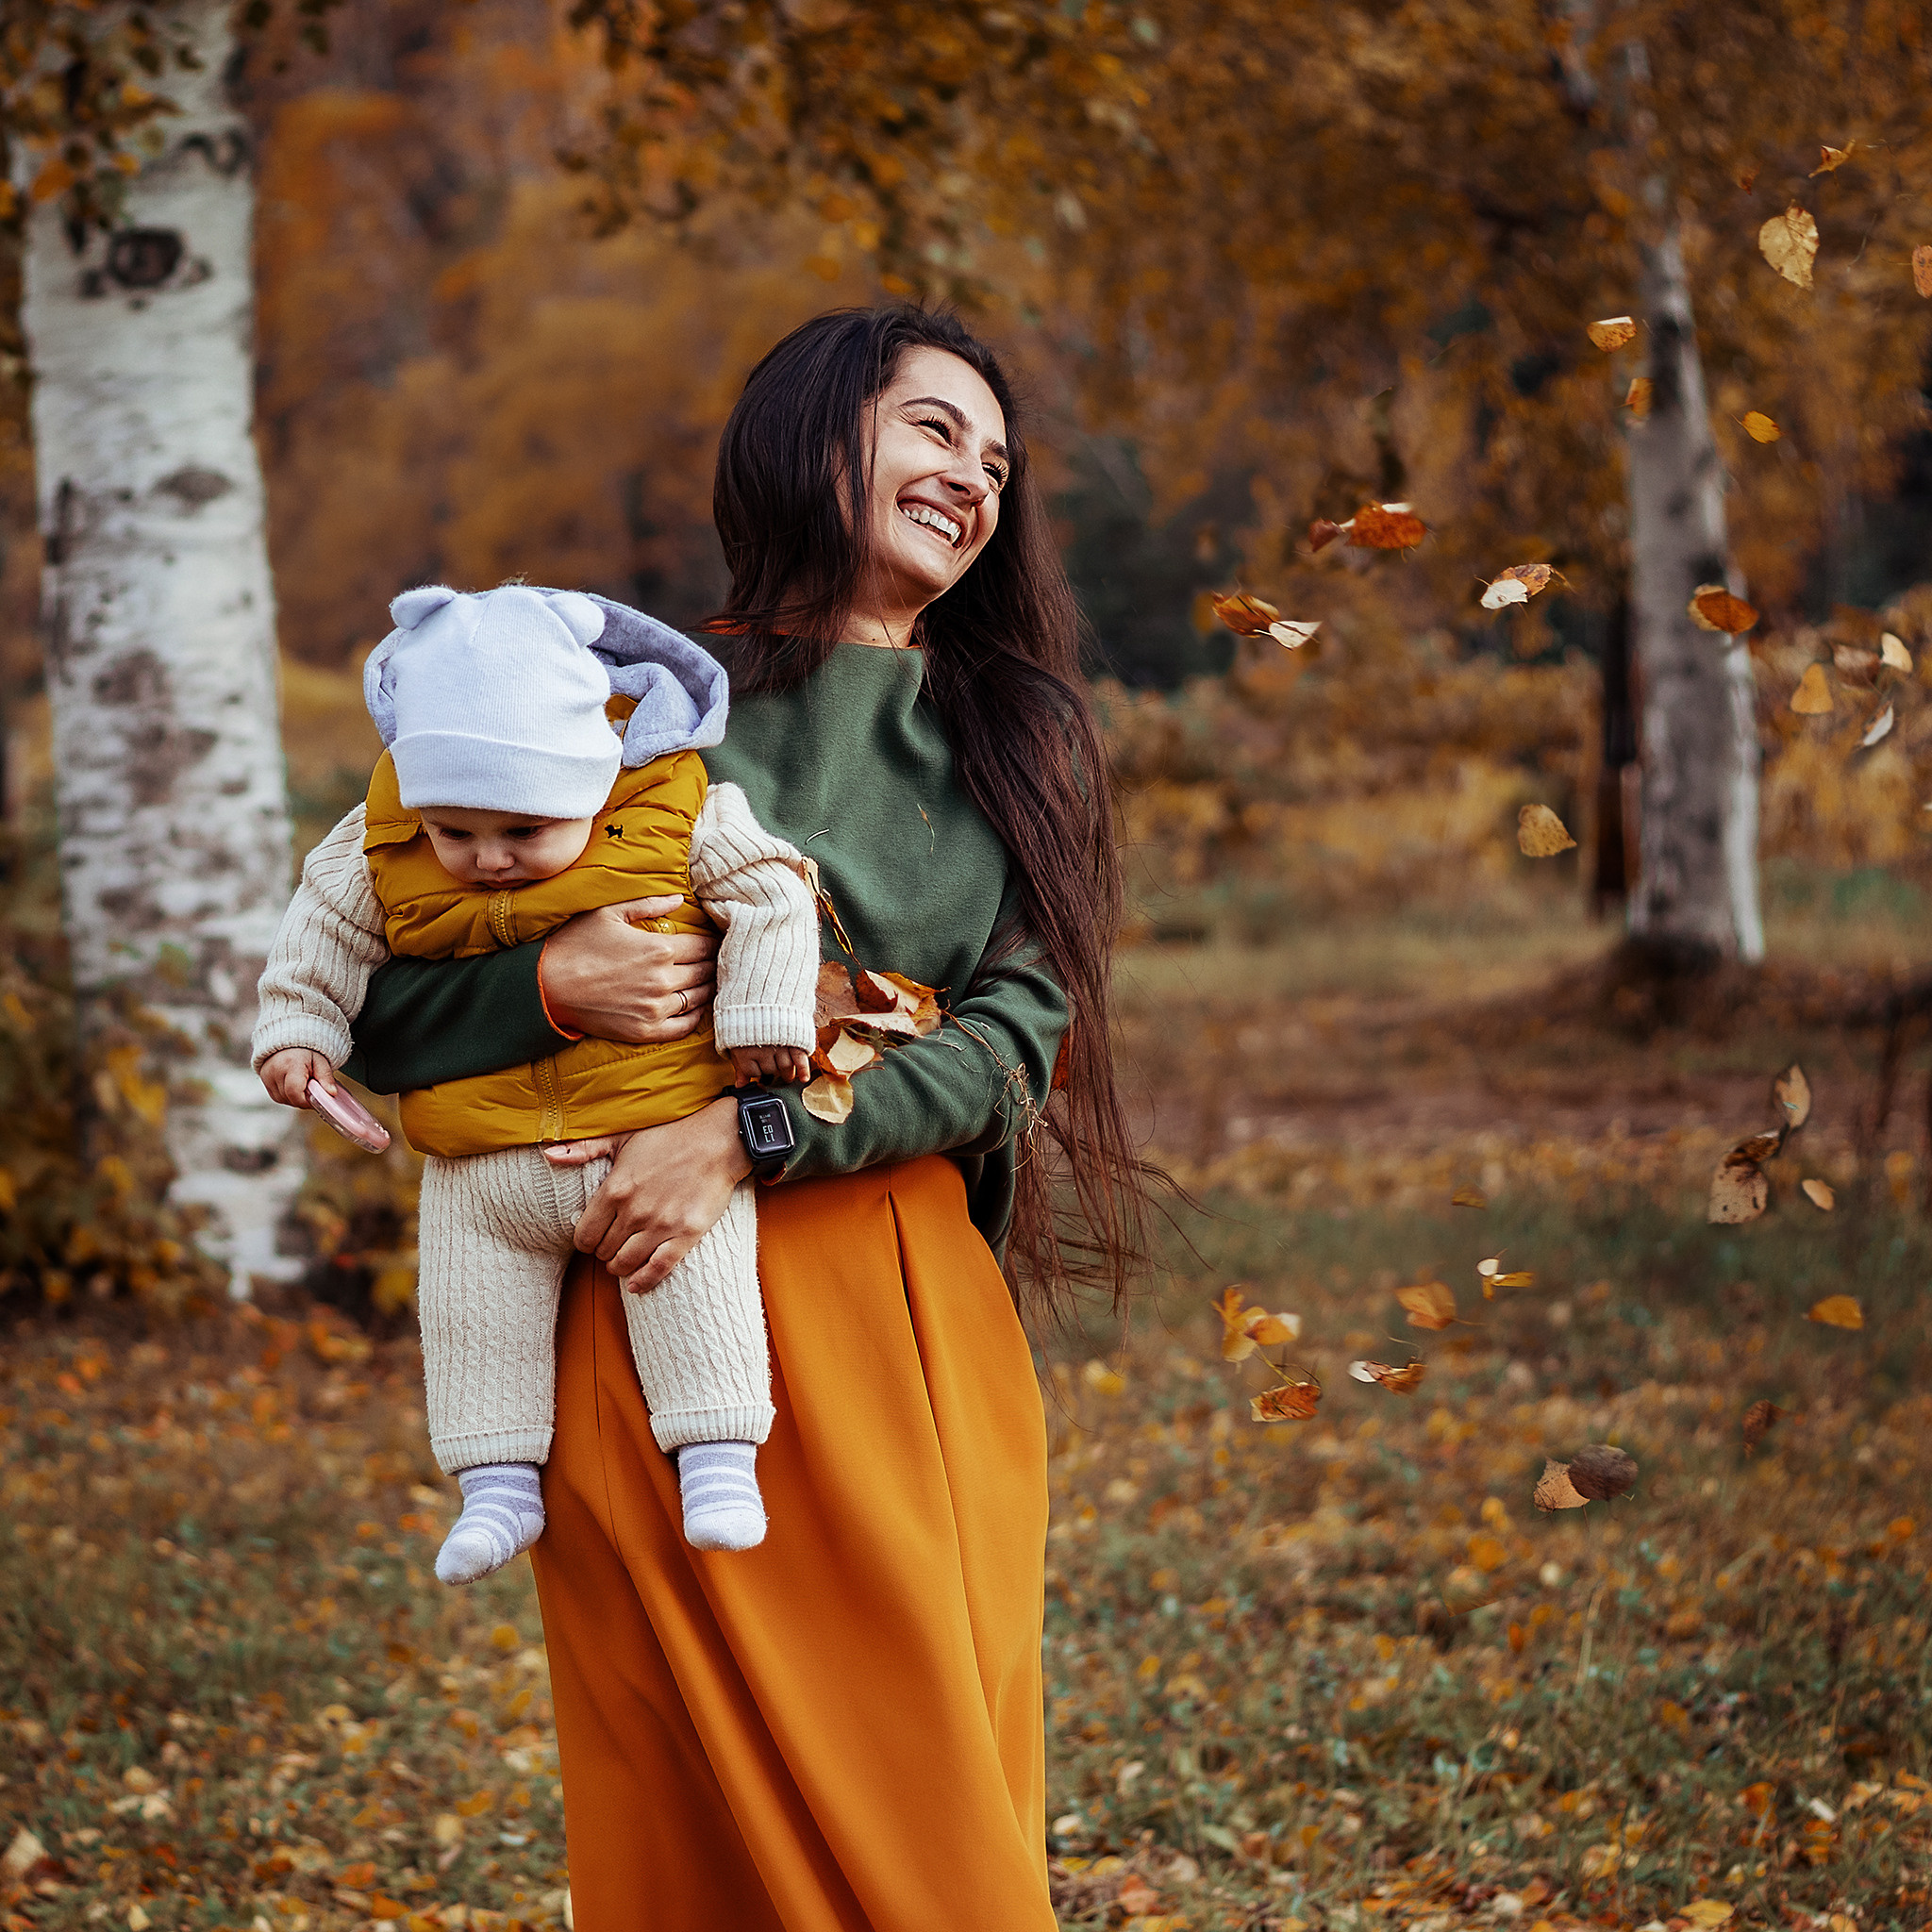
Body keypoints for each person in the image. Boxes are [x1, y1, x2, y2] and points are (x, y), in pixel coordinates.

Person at [335, 306, 1149, 1929]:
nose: (970, 476)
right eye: (932, 429)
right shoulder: (611, 703)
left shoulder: (1018, 728)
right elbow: (374, 990)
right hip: (630, 1327)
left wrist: (756, 1129)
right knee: (686, 1828)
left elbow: (1015, 1037)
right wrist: (551, 985)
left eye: (993, 459)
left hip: (893, 1315)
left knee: (926, 1820)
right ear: (810, 432)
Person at [251, 582, 821, 1576]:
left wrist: (762, 1021)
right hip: (482, 1163)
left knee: (692, 1276)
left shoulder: (676, 806)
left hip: (650, 1127)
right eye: (456, 833)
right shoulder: (382, 834)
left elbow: (772, 893)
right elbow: (323, 927)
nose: (488, 859)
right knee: (471, 1312)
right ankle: (496, 1488)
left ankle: (719, 1459)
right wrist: (300, 1030)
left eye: (521, 832)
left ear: (591, 780)